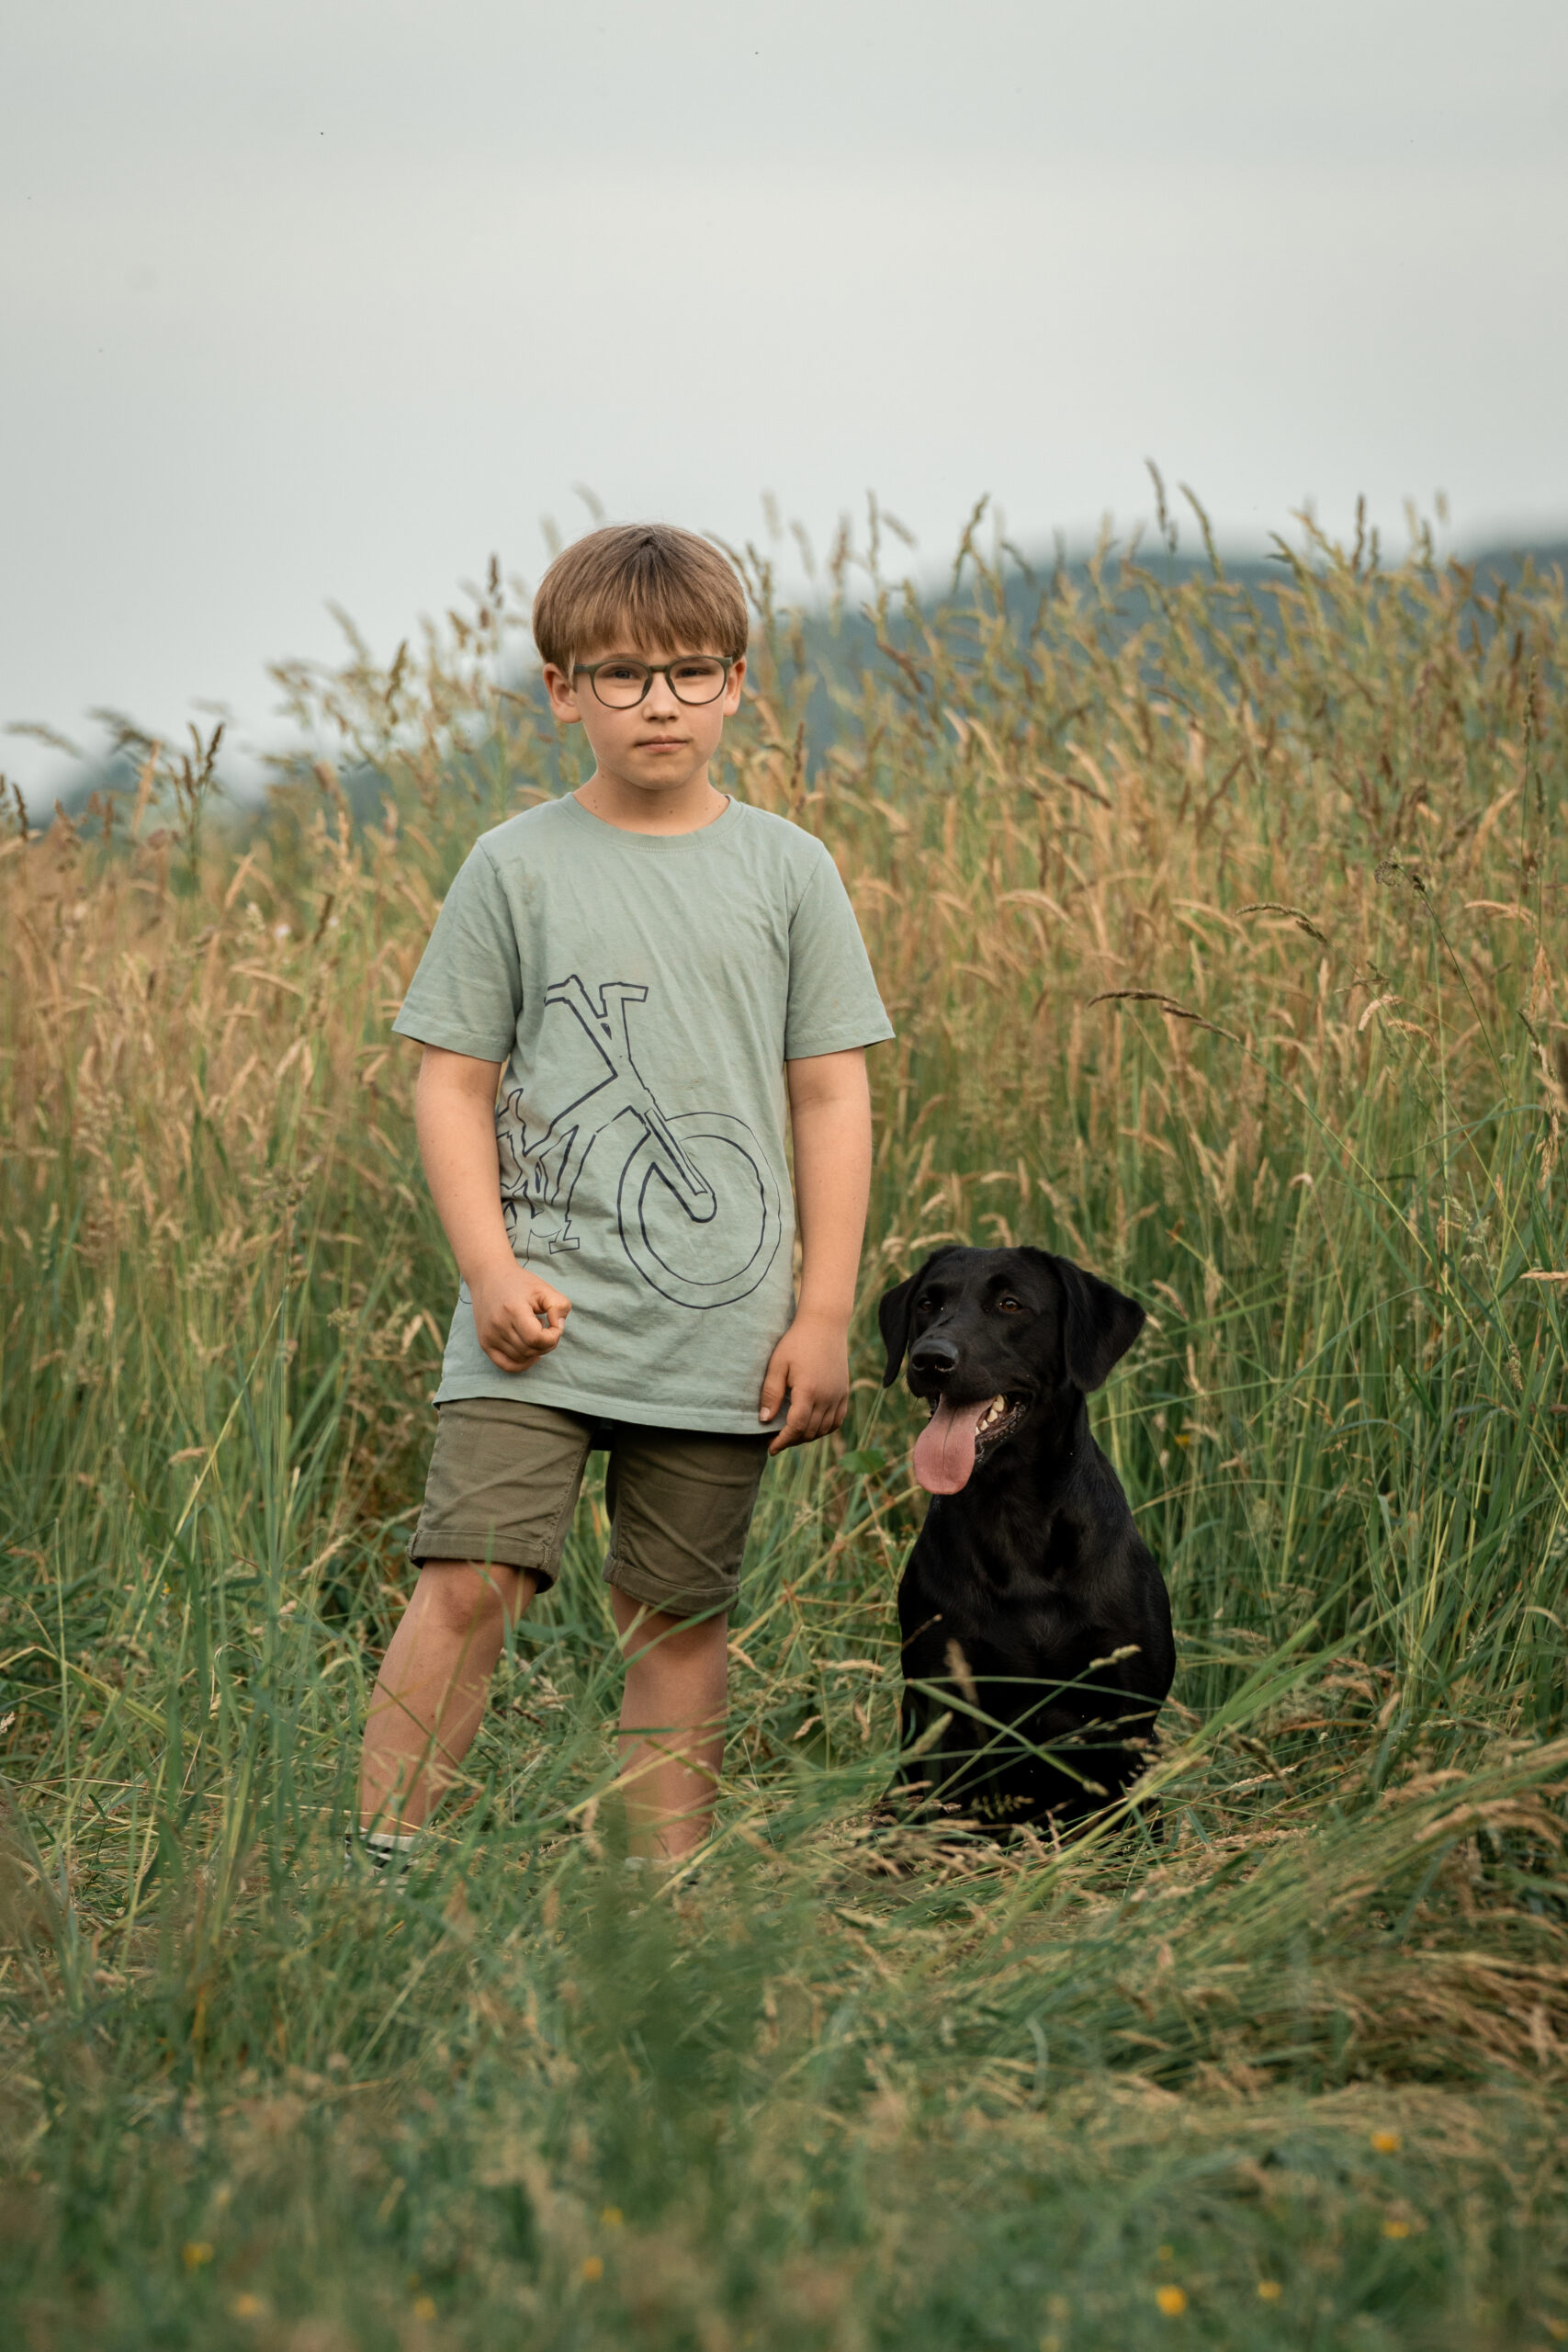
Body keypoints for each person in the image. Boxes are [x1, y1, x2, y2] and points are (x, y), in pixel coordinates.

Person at [355, 523, 893, 1869]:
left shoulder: (790, 870)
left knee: (677, 1617)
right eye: (622, 674)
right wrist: (488, 1269)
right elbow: (450, 1082)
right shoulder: (513, 865)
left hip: (721, 1331)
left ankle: (657, 1910)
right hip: (532, 1316)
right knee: (471, 1581)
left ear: (737, 683)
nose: (661, 701)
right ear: (562, 690)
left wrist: (824, 1313)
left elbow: (831, 1096)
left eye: (693, 671)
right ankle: (382, 1871)